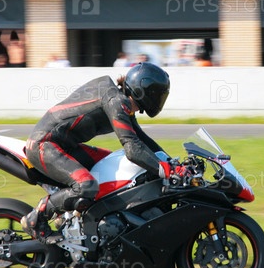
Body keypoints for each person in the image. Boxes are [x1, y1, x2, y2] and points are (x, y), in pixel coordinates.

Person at [21, 62, 176, 242]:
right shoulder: (116, 101)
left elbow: (143, 140)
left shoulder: (121, 102)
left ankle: (76, 217)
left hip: (65, 146)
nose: (160, 99)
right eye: (158, 94)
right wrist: (166, 170)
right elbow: (132, 148)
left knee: (112, 165)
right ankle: (36, 218)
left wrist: (172, 163)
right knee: (86, 186)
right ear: (145, 91)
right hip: (44, 145)